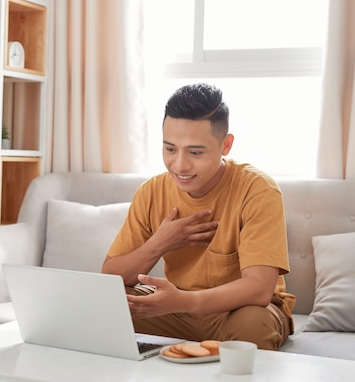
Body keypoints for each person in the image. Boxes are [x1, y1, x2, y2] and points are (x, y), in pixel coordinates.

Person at [101, 83, 295, 350]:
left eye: (195, 152)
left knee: (252, 326)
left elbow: (259, 289)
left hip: (239, 309)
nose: (179, 165)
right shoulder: (151, 191)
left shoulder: (258, 189)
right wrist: (159, 244)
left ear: (225, 145)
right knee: (102, 305)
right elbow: (110, 276)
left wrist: (183, 301)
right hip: (176, 309)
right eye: (170, 149)